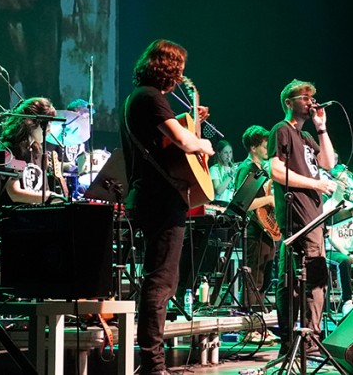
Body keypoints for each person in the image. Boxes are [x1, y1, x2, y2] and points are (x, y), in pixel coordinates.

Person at [119, 39, 213, 375]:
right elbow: (184, 142)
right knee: (160, 281)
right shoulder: (150, 97)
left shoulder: (140, 98)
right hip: (159, 197)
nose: (180, 77)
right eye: (179, 70)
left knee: (162, 280)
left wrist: (191, 120)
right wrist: (203, 142)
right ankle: (153, 364)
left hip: (153, 195)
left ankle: (153, 360)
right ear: (169, 68)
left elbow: (164, 144)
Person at [267, 79, 338, 357]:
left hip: (314, 215)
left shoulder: (307, 137)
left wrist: (322, 128)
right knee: (304, 278)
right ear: (289, 102)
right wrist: (315, 184)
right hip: (297, 214)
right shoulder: (281, 130)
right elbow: (276, 170)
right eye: (305, 97)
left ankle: (303, 340)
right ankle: (302, 341)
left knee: (305, 277)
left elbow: (329, 163)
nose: (311, 102)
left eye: (312, 97)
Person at [233, 125, 278, 340]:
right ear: (253, 147)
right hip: (253, 230)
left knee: (264, 279)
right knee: (254, 280)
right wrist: (269, 199)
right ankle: (249, 328)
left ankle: (259, 327)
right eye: (264, 146)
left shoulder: (262, 171)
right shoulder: (247, 169)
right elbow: (242, 203)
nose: (268, 149)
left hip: (266, 231)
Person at [0, 96, 66, 205]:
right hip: (15, 214)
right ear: (30, 122)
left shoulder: (37, 150)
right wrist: (49, 197)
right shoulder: (11, 150)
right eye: (46, 124)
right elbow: (14, 193)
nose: (49, 130)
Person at [46, 97, 94, 197]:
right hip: (56, 183)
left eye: (88, 118)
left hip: (75, 182)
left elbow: (82, 160)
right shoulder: (54, 133)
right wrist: (66, 166)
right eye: (85, 115)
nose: (86, 120)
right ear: (74, 113)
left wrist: (87, 163)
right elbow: (46, 163)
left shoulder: (81, 135)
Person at [209, 139, 238, 203]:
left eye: (230, 152)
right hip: (219, 203)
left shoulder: (233, 169)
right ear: (219, 153)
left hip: (230, 204)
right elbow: (218, 191)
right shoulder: (214, 169)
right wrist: (231, 176)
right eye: (225, 152)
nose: (229, 155)